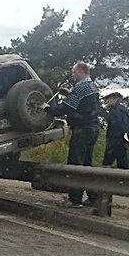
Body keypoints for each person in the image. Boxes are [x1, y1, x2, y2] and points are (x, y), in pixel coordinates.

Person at [40, 62, 100, 208]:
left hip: (81, 130)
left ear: (80, 71)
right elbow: (83, 104)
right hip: (93, 128)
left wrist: (48, 109)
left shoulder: (80, 87)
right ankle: (94, 197)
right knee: (87, 164)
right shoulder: (92, 87)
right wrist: (69, 94)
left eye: (74, 73)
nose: (73, 75)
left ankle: (75, 199)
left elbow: (67, 108)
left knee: (75, 164)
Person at [102, 92, 129, 169]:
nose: (107, 101)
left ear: (115, 99)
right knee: (121, 161)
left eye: (109, 99)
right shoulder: (120, 110)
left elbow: (123, 127)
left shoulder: (117, 111)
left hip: (117, 140)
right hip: (119, 139)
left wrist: (124, 140)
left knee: (110, 162)